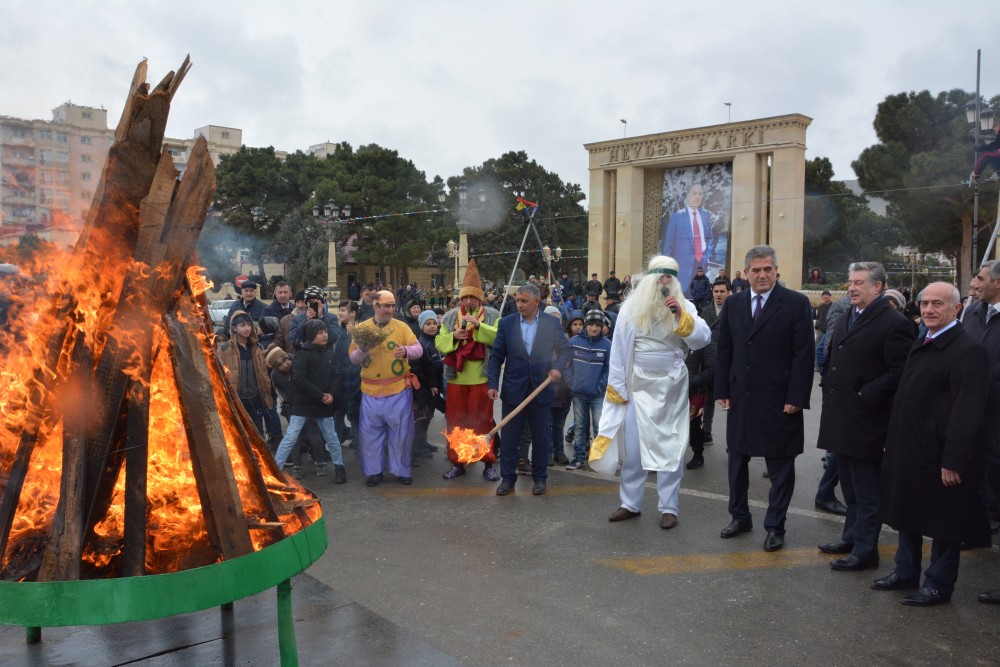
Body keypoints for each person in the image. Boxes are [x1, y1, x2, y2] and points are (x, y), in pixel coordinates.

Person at [873, 282, 989, 606]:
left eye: (937, 304)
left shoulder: (968, 351)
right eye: (924, 304)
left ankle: (938, 584)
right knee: (906, 512)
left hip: (941, 455)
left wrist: (954, 459)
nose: (929, 310)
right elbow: (906, 398)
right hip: (910, 448)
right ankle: (905, 571)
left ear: (955, 308)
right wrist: (891, 442)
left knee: (944, 522)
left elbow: (968, 411)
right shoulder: (922, 340)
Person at [590, 256, 711, 529]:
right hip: (638, 387)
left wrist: (680, 314)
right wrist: (619, 387)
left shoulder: (685, 305)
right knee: (634, 450)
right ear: (649, 279)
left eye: (669, 276)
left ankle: (669, 507)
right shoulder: (631, 308)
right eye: (660, 276)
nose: (664, 281)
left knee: (671, 449)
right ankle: (629, 503)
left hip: (672, 387)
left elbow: (702, 339)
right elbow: (620, 351)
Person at [715, 245, 814, 552]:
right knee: (737, 460)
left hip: (779, 399)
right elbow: (725, 349)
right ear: (745, 274)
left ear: (776, 272)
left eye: (767, 269)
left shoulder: (796, 303)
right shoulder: (734, 304)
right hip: (741, 397)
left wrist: (796, 396)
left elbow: (803, 354)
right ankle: (739, 517)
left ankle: (775, 526)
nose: (762, 275)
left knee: (781, 466)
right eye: (756, 270)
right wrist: (722, 390)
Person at [816, 262, 914, 572]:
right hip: (842, 416)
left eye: (859, 282)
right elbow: (835, 353)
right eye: (850, 281)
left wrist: (865, 395)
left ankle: (866, 551)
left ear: (879, 286)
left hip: (868, 420)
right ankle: (851, 537)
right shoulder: (848, 314)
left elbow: (900, 371)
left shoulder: (894, 322)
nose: (852, 287)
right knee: (850, 488)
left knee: (868, 491)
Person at [487, 283, 570, 496]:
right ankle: (508, 479)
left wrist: (557, 369)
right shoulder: (507, 324)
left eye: (523, 301)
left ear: (536, 301)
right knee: (510, 437)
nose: (519, 305)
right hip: (514, 389)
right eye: (517, 300)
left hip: (541, 390)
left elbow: (565, 350)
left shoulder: (551, 323)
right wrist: (493, 384)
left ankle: (540, 479)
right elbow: (497, 356)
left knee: (541, 437)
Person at [348, 290, 423, 486]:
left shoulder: (402, 327)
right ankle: (374, 472)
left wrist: (406, 350)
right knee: (370, 434)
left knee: (402, 434)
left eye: (392, 305)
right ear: (376, 306)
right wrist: (363, 349)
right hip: (371, 391)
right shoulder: (362, 329)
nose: (390, 309)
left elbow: (419, 349)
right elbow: (353, 358)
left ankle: (402, 470)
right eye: (386, 305)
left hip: (398, 389)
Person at [436, 260, 502, 481]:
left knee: (482, 421)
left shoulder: (492, 315)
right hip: (456, 379)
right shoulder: (450, 317)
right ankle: (458, 463)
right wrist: (453, 337)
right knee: (456, 422)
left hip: (482, 379)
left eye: (472, 297)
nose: (468, 301)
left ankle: (488, 462)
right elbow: (439, 342)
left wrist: (480, 326)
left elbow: (499, 339)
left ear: (480, 298)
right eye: (465, 297)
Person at [962, 262, 1000, 605]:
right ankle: (978, 532)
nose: (974, 283)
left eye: (980, 278)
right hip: (974, 414)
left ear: (998, 283)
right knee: (978, 477)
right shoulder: (974, 313)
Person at [272, 320, 348, 484]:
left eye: (325, 331)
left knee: (331, 437)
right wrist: (321, 395)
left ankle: (339, 468)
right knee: (291, 437)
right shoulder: (301, 354)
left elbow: (336, 376)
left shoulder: (329, 353)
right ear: (311, 335)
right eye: (320, 332)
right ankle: (275, 472)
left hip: (324, 404)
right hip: (303, 404)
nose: (325, 335)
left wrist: (332, 395)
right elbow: (299, 379)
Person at [216, 310, 279, 448]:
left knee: (258, 435)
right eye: (242, 325)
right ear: (233, 328)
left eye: (248, 325)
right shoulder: (225, 349)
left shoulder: (257, 347)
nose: (247, 328)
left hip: (256, 398)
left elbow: (263, 372)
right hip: (237, 399)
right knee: (238, 437)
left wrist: (266, 390)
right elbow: (219, 375)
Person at [266, 346, 331, 480]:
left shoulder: (299, 364)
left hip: (309, 404)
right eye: (281, 364)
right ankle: (297, 466)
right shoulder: (275, 375)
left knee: (315, 435)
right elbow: (282, 392)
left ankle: (320, 462)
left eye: (286, 360)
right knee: (296, 438)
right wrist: (290, 403)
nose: (285, 364)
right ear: (275, 367)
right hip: (293, 408)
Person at [565, 309, 611, 470]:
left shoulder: (607, 345)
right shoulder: (574, 342)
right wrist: (571, 382)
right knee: (579, 426)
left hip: (597, 394)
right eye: (591, 324)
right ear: (586, 325)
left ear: (602, 327)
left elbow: (609, 369)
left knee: (599, 426)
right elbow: (566, 365)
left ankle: (599, 458)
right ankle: (578, 458)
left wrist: (600, 386)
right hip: (578, 393)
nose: (594, 328)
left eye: (598, 325)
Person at [662, 183, 714, 296]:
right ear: (687, 197)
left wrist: (707, 256)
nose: (697, 196)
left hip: (702, 264)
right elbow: (668, 245)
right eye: (694, 193)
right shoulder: (677, 216)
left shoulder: (706, 215)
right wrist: (668, 269)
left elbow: (710, 238)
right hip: (683, 268)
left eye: (700, 194)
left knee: (700, 299)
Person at [411, 310, 445, 463]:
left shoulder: (438, 340)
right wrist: (441, 362)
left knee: (428, 416)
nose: (432, 327)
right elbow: (425, 367)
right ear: (421, 326)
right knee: (422, 418)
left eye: (434, 323)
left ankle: (423, 442)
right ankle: (417, 448)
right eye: (428, 324)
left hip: (435, 385)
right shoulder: (421, 343)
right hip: (425, 388)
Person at [699, 278, 730, 445]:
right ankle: (707, 432)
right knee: (709, 398)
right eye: (716, 291)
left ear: (728, 292)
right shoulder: (704, 311)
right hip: (710, 361)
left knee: (731, 400)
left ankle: (733, 439)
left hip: (728, 361)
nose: (718, 295)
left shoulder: (735, 310)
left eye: (722, 291)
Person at [336, 300, 362, 448]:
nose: (340, 313)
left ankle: (360, 446)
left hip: (355, 382)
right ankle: (336, 446)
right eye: (340, 310)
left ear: (353, 313)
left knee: (355, 416)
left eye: (343, 310)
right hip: (341, 381)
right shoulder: (340, 330)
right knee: (338, 414)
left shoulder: (359, 331)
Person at [273, 288, 308, 354]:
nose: (300, 305)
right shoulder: (285, 320)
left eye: (303, 301)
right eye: (298, 302)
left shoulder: (316, 319)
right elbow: (278, 343)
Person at [814, 290, 833, 370]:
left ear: (830, 296)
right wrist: (816, 328)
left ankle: (826, 366)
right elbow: (818, 317)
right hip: (821, 331)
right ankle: (816, 366)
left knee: (827, 349)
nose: (825, 297)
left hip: (829, 331)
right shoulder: (821, 306)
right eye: (824, 295)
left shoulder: (833, 305)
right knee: (817, 348)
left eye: (827, 295)